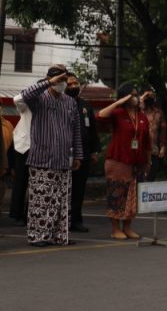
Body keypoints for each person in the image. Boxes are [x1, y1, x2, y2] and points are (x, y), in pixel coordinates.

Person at [19, 65, 84, 246]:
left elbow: (76, 131)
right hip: (42, 159)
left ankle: (59, 235)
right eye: (59, 80)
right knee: (41, 201)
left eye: (64, 80)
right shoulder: (38, 98)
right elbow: (24, 95)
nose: (62, 84)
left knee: (61, 201)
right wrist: (48, 83)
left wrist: (78, 155)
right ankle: (38, 236)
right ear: (50, 80)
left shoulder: (70, 102)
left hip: (63, 159)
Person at [97, 83, 151, 240]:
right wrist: (118, 102)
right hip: (118, 160)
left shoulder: (141, 117)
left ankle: (127, 227)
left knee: (132, 196)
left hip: (137, 162)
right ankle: (115, 229)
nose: (135, 97)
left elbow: (147, 141)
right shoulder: (118, 113)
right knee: (117, 194)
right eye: (132, 95)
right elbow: (100, 116)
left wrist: (148, 161)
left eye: (136, 94)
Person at [67, 74, 101, 232]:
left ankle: (76, 221)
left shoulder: (85, 105)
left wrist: (95, 150)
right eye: (70, 83)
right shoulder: (60, 104)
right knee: (65, 189)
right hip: (65, 154)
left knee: (79, 189)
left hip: (84, 154)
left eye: (76, 83)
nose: (74, 86)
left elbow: (93, 130)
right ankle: (62, 221)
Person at [8, 91, 31, 225]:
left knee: (36, 185)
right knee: (20, 182)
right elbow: (17, 99)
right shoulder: (27, 103)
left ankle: (30, 214)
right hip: (23, 147)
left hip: (41, 149)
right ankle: (16, 214)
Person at [142, 91, 167, 181]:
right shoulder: (139, 112)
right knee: (139, 177)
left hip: (154, 149)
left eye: (151, 97)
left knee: (152, 175)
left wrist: (163, 146)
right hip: (140, 150)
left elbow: (163, 131)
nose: (149, 99)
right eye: (147, 97)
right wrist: (142, 97)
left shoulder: (158, 113)